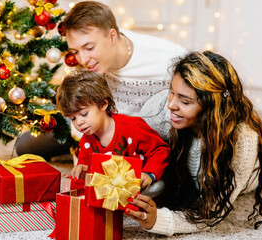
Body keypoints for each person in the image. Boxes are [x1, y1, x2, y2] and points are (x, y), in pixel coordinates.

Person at [14, 1, 186, 158]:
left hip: (136, 135)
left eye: (89, 48)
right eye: (75, 51)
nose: (82, 60)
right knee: (26, 144)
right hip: (93, 123)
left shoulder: (168, 58)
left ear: (112, 37)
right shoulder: (87, 63)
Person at [124, 51, 262, 235]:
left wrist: (157, 220)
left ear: (211, 108)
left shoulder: (242, 142)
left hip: (244, 177)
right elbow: (132, 147)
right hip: (182, 167)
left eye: (184, 101)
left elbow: (212, 213)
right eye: (171, 92)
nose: (171, 105)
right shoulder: (160, 107)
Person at [56, 70, 171, 189]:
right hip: (112, 193)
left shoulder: (132, 128)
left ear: (103, 104)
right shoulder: (86, 142)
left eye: (84, 114)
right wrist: (82, 170)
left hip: (141, 187)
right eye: (73, 118)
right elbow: (85, 167)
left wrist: (149, 174)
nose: (79, 122)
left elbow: (160, 150)